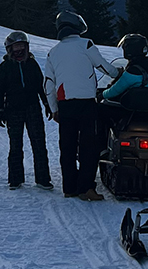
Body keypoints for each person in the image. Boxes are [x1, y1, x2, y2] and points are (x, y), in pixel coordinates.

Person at [44, 11, 119, 201]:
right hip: (86, 103)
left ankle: (69, 187)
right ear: (77, 27)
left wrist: (54, 109)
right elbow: (103, 66)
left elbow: (48, 84)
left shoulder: (53, 52)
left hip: (65, 104)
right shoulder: (86, 44)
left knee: (67, 147)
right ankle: (86, 188)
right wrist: (118, 73)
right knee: (88, 146)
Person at [0, 31, 53, 191]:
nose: (19, 50)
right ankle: (15, 179)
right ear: (9, 49)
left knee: (39, 143)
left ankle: (43, 179)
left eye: (22, 46)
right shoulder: (5, 67)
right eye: (16, 46)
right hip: (13, 109)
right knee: (15, 145)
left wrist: (47, 104)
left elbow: (41, 86)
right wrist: (0, 109)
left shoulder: (32, 65)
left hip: (33, 107)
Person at [97, 34, 148, 140]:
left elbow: (115, 90)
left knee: (99, 111)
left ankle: (101, 145)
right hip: (147, 112)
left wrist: (101, 94)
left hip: (128, 111)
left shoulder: (133, 70)